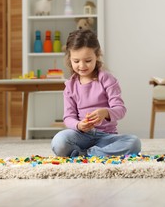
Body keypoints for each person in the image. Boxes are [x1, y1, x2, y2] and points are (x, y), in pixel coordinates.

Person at [51, 29, 141, 157]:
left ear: (97, 56)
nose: (82, 66)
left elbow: (120, 109)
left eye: (88, 60)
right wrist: (79, 125)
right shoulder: (70, 85)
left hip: (106, 137)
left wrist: (105, 112)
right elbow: (68, 117)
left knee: (134, 143)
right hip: (81, 135)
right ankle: (97, 154)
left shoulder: (107, 79)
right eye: (76, 61)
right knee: (59, 142)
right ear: (69, 58)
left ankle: (86, 154)